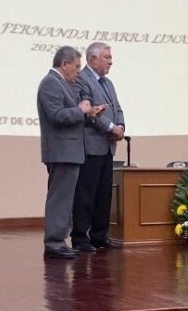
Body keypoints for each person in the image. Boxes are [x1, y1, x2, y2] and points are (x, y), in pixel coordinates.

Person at [37, 46, 94, 259]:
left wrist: (88, 112)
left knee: (64, 199)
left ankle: (58, 240)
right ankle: (53, 243)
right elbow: (57, 115)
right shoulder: (51, 83)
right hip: (61, 151)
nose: (79, 72)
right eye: (77, 66)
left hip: (68, 151)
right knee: (59, 199)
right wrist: (81, 110)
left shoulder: (63, 84)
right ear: (64, 64)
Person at [70, 42, 126, 250]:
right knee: (86, 193)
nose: (111, 61)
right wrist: (111, 127)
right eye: (107, 57)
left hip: (107, 147)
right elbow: (89, 111)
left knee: (104, 194)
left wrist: (120, 126)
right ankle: (80, 238)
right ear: (92, 59)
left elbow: (117, 108)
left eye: (110, 57)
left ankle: (99, 236)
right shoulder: (81, 80)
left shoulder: (108, 83)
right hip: (91, 146)